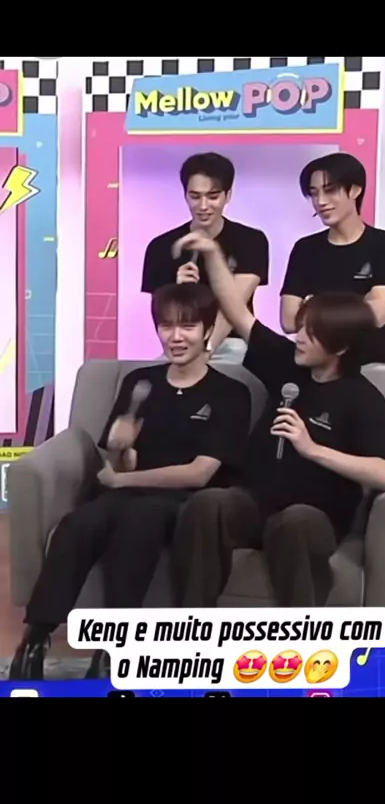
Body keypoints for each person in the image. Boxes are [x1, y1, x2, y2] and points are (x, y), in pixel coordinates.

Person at [9, 283, 251, 680]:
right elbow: (119, 466)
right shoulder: (141, 381)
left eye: (188, 326)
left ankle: (113, 647)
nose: (176, 337)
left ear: (208, 330)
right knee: (77, 524)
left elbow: (200, 471)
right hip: (128, 492)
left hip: (183, 500)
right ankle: (35, 637)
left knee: (137, 524)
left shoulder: (230, 393)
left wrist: (122, 480)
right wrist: (121, 449)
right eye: (166, 326)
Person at [169, 231, 385, 609]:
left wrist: (313, 449)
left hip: (314, 516)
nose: (299, 338)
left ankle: (298, 635)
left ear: (341, 346)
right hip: (256, 502)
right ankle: (193, 624)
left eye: (311, 333)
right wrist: (213, 254)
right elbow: (237, 311)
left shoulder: (362, 398)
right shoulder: (287, 365)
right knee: (208, 504)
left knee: (295, 522)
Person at [280, 153, 385, 371]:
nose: (320, 201)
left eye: (330, 190)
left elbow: (377, 315)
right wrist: (359, 304)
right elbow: (289, 320)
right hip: (317, 364)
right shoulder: (305, 248)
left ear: (355, 190)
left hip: (371, 362)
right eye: (314, 193)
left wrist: (312, 306)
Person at [141, 152, 269, 364]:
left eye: (212, 196)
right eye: (195, 196)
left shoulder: (251, 240)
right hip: (183, 344)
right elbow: (162, 315)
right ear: (185, 195)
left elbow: (233, 309)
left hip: (233, 343)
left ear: (228, 195)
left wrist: (206, 350)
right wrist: (178, 291)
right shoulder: (162, 246)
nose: (203, 206)